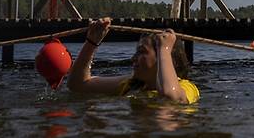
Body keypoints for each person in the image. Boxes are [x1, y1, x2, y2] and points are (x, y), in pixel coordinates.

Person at [67, 17, 199, 104]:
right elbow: (78, 85)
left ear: (168, 59)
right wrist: (92, 42)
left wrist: (164, 48)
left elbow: (172, 98)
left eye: (141, 52)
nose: (133, 58)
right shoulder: (131, 85)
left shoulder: (187, 87)